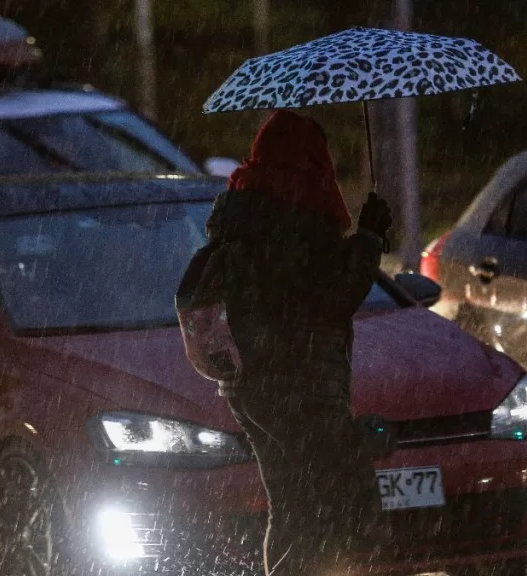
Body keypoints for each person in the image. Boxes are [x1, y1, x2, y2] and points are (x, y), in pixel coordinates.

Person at [204, 110, 393, 575]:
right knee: (342, 504)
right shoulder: (299, 209)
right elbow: (334, 296)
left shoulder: (242, 212)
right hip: (303, 387)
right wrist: (368, 236)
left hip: (250, 387)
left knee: (290, 504)